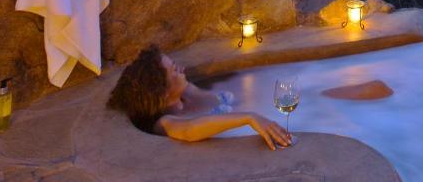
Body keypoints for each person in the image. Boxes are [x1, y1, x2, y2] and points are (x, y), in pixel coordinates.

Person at [107, 44, 291, 150]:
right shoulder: (165, 122)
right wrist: (250, 117)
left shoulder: (186, 92)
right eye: (175, 70)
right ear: (161, 92)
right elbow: (189, 130)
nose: (182, 69)